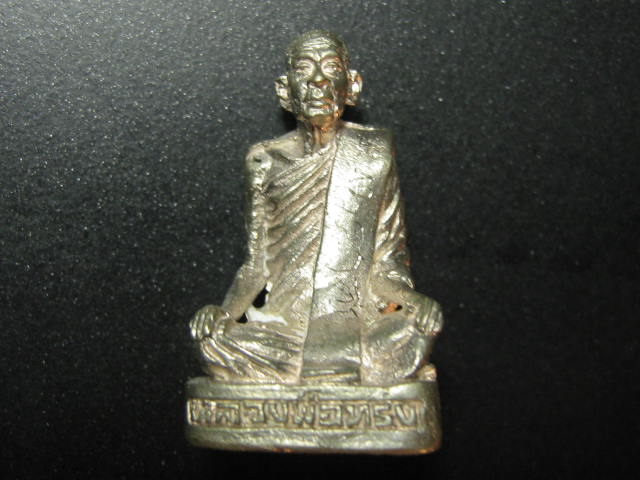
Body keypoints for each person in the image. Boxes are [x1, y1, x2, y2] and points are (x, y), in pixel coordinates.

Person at [190, 30, 442, 385]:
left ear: (351, 86)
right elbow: (257, 263)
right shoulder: (264, 161)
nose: (319, 81)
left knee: (416, 327)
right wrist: (223, 313)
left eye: (331, 69)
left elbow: (387, 263)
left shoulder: (374, 153)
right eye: (304, 70)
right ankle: (331, 374)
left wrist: (416, 303)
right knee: (210, 341)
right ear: (285, 90)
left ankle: (330, 369)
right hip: (282, 331)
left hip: (355, 326)